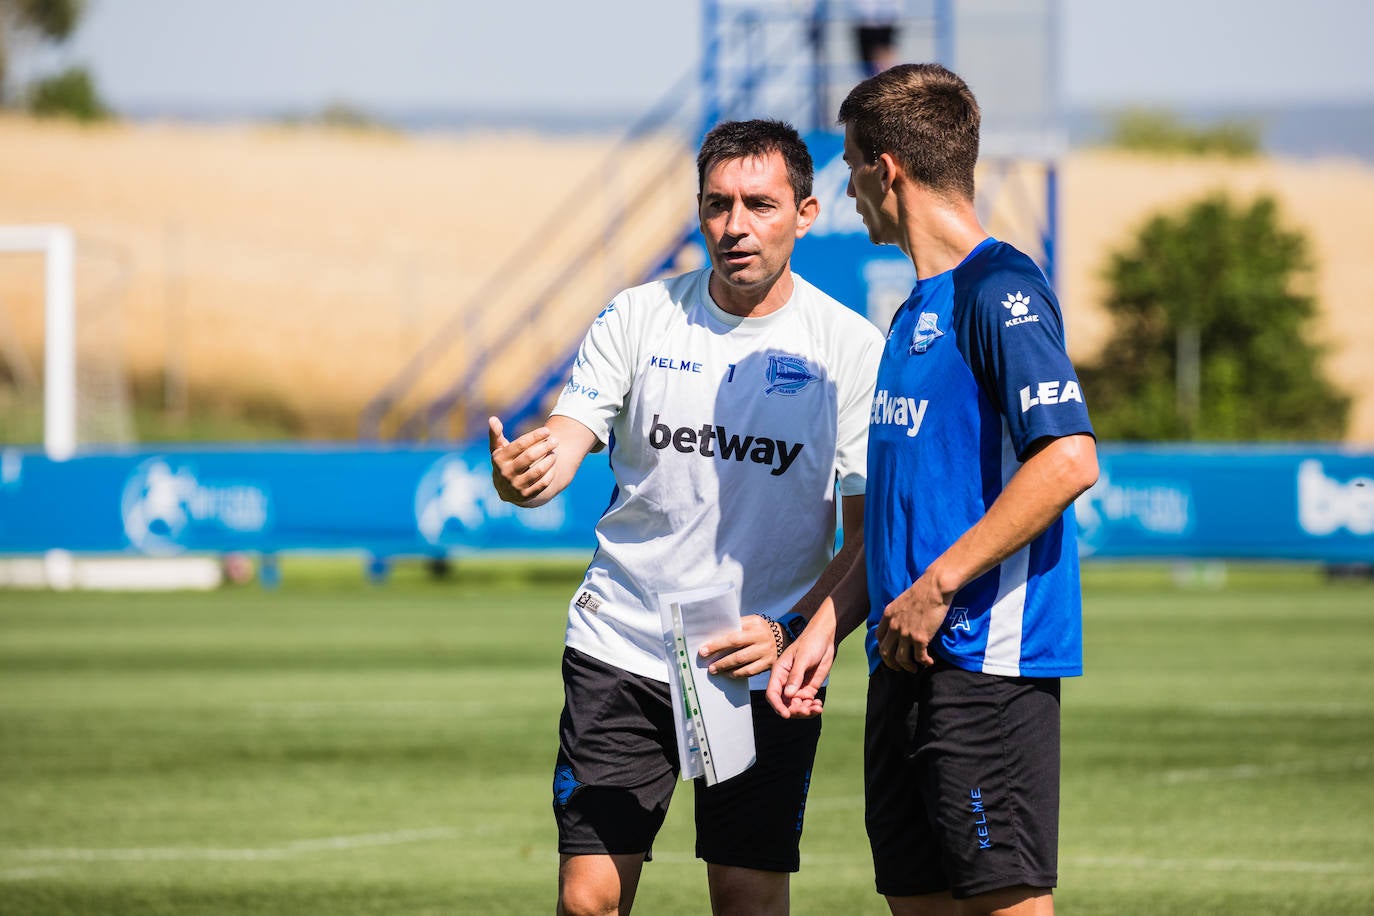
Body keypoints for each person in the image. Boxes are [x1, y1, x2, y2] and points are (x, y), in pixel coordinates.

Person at [489, 118, 884, 916]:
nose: (736, 226)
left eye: (760, 205)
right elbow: (569, 437)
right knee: (589, 898)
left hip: (753, 661)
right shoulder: (639, 316)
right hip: (622, 645)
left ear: (806, 214)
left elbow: (870, 534)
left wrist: (794, 631)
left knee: (745, 899)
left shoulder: (847, 347)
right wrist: (531, 472)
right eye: (717, 204)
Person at [766, 63, 1100, 916]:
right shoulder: (914, 313)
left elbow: (1067, 459)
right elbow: (892, 515)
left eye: (848, 169)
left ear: (888, 171)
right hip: (903, 667)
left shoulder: (1001, 289)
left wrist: (938, 587)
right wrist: (821, 626)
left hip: (986, 666)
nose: (846, 193)